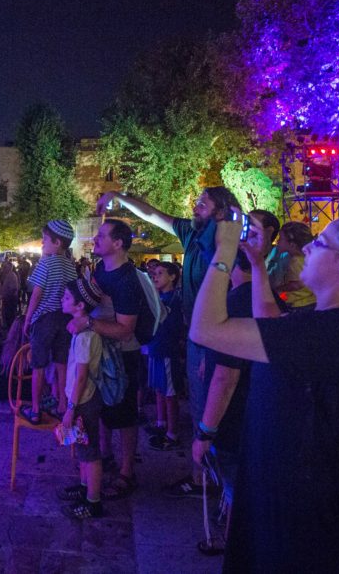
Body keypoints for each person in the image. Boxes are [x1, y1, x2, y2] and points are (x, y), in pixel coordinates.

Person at [189, 212, 339, 571]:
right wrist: (257, 265)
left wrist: (223, 251)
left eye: (321, 243)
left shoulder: (334, 335)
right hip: (301, 512)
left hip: (300, 532)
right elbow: (270, 324)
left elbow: (206, 328)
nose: (307, 246)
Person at [95, 187, 241, 498]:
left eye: (203, 203)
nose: (195, 206)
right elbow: (151, 214)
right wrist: (119, 197)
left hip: (214, 334)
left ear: (220, 211)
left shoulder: (224, 241)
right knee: (200, 402)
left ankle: (218, 486)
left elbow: (237, 288)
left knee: (209, 407)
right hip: (194, 332)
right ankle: (202, 476)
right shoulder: (192, 233)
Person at [192, 214, 284, 557]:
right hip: (258, 415)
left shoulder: (237, 301)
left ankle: (235, 553)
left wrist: (205, 431)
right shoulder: (263, 297)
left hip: (238, 420)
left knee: (236, 493)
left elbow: (225, 376)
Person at [69, 218, 154, 500]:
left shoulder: (127, 280)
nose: (96, 239)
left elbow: (125, 329)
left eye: (102, 236)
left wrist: (87, 325)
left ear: (118, 243)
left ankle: (127, 473)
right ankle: (105, 457)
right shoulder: (101, 271)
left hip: (124, 355)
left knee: (125, 415)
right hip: (101, 354)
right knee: (102, 409)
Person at [56, 277, 106, 519]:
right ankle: (85, 488)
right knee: (84, 449)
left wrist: (70, 408)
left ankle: (93, 502)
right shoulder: (80, 331)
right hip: (81, 398)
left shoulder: (86, 336)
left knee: (91, 452)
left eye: (66, 298)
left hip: (85, 400)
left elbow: (82, 376)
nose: (62, 301)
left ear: (80, 306)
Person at [21, 220, 78, 423]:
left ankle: (36, 410)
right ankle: (62, 405)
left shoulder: (46, 263)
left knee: (38, 365)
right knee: (61, 363)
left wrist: (27, 319)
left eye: (45, 239)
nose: (42, 243)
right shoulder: (70, 266)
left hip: (44, 319)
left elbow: (36, 294)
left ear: (56, 242)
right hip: (64, 318)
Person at [144, 262, 184, 451]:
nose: (156, 277)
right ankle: (161, 423)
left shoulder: (173, 299)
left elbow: (168, 322)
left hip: (167, 350)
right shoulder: (160, 297)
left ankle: (172, 433)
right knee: (159, 388)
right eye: (154, 274)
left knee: (170, 392)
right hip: (156, 347)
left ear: (173, 277)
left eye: (161, 273)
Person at [269, 221, 316, 311]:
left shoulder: (295, 261)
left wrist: (277, 289)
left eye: (281, 238)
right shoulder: (308, 258)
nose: (278, 241)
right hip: (311, 301)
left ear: (292, 245)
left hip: (299, 304)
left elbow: (296, 285)